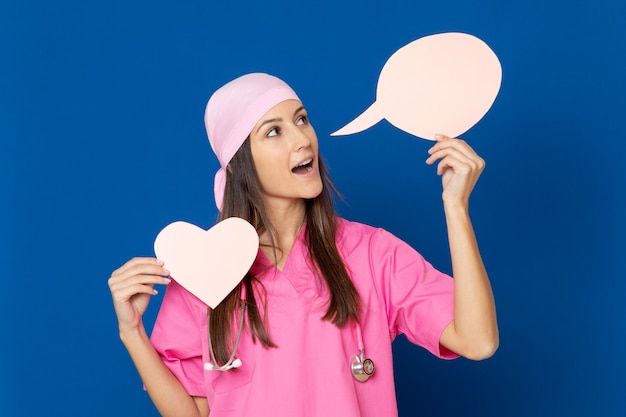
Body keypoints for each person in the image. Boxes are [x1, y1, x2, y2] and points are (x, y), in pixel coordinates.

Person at [108, 73, 498, 417]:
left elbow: (477, 340)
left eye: (302, 120)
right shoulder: (204, 274)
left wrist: (456, 208)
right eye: (274, 131)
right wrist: (132, 333)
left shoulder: (373, 254)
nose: (302, 139)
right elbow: (193, 413)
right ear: (241, 161)